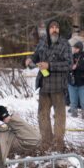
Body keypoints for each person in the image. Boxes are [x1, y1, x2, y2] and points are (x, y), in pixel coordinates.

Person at [26, 19, 72, 151]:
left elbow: (68, 64)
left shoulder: (65, 44)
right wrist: (30, 60)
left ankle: (58, 144)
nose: (54, 29)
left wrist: (49, 65)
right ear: (48, 29)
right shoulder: (42, 42)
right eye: (52, 27)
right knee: (42, 115)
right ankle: (46, 143)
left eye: (57, 27)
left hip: (58, 86)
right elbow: (35, 56)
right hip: (44, 85)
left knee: (59, 116)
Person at [68, 41, 84, 118]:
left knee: (83, 103)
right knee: (73, 103)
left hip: (83, 83)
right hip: (72, 83)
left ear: (78, 48)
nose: (72, 49)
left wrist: (78, 67)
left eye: (74, 48)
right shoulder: (70, 57)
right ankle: (74, 117)